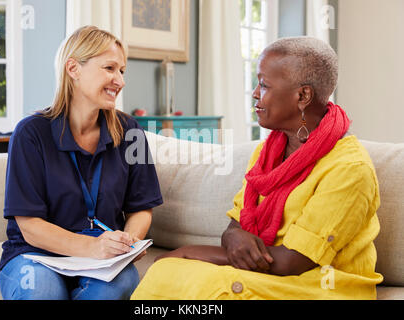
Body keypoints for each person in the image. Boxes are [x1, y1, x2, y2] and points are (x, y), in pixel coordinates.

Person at [131, 36, 383, 300]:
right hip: (271, 274)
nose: (254, 93)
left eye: (263, 84)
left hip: (321, 286)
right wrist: (233, 238)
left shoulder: (350, 168)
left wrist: (190, 251)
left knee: (205, 284)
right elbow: (235, 226)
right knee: (167, 272)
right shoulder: (268, 152)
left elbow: (291, 262)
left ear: (303, 95)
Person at [0, 26, 163, 300]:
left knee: (112, 291)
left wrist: (128, 242)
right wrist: (92, 247)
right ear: (73, 68)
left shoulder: (131, 131)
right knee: (42, 293)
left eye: (122, 71)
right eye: (109, 68)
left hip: (104, 260)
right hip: (36, 255)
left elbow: (142, 209)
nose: (119, 81)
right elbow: (29, 226)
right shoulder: (30, 133)